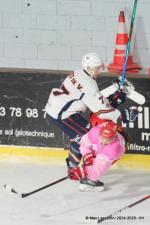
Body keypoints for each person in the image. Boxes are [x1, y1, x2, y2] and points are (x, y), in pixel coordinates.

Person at [45, 52, 136, 177]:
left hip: (59, 108)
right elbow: (101, 111)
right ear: (89, 68)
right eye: (97, 68)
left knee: (81, 138)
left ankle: (74, 167)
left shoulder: (78, 72)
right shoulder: (89, 85)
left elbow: (95, 101)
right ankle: (86, 172)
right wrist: (122, 114)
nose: (99, 70)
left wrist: (114, 98)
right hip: (63, 115)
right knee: (87, 138)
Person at [78, 121, 128, 191]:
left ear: (114, 137)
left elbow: (99, 166)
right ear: (100, 133)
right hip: (101, 146)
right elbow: (84, 143)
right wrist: (88, 157)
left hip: (111, 154)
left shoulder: (115, 149)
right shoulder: (94, 132)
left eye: (108, 139)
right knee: (92, 159)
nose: (104, 141)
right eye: (103, 137)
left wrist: (85, 173)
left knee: (100, 164)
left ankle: (92, 181)